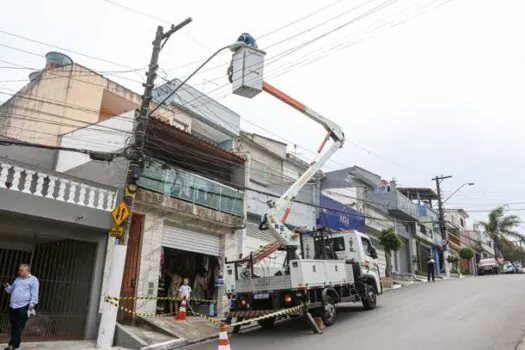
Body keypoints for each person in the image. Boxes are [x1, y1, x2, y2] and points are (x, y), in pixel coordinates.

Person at [3, 264, 39, 350]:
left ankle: (12, 345)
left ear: (27, 270)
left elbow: (34, 293)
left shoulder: (33, 280)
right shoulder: (17, 279)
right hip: (13, 306)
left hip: (23, 307)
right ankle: (16, 344)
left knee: (18, 326)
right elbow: (11, 290)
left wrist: (31, 305)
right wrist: (7, 286)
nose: (19, 271)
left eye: (21, 270)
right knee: (14, 325)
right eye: (19, 270)